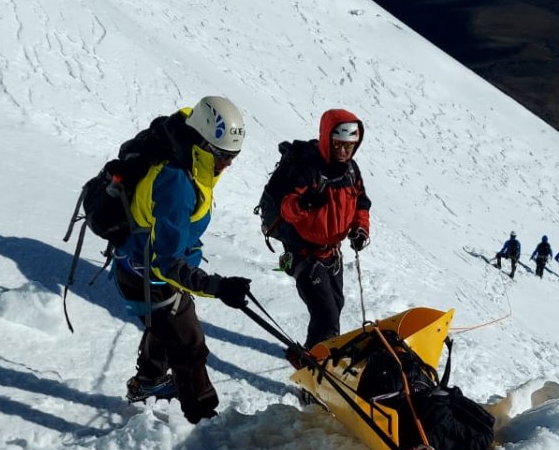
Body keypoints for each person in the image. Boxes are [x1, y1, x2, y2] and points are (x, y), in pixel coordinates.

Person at [111, 96, 252, 424]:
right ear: (205, 144)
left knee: (167, 322)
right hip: (148, 272)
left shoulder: (189, 153)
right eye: (224, 156)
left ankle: (148, 381)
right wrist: (217, 287)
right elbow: (167, 264)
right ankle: (205, 425)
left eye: (234, 157)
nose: (228, 164)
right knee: (189, 344)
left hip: (142, 262)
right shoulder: (177, 182)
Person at [274, 109, 371, 350]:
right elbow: (286, 209)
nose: (343, 151)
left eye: (349, 145)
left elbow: (361, 203)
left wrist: (360, 229)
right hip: (303, 252)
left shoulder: (350, 170)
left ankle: (314, 357)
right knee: (326, 314)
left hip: (331, 253)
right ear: (328, 138)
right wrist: (304, 203)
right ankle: (316, 368)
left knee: (334, 306)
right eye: (338, 144)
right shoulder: (309, 169)